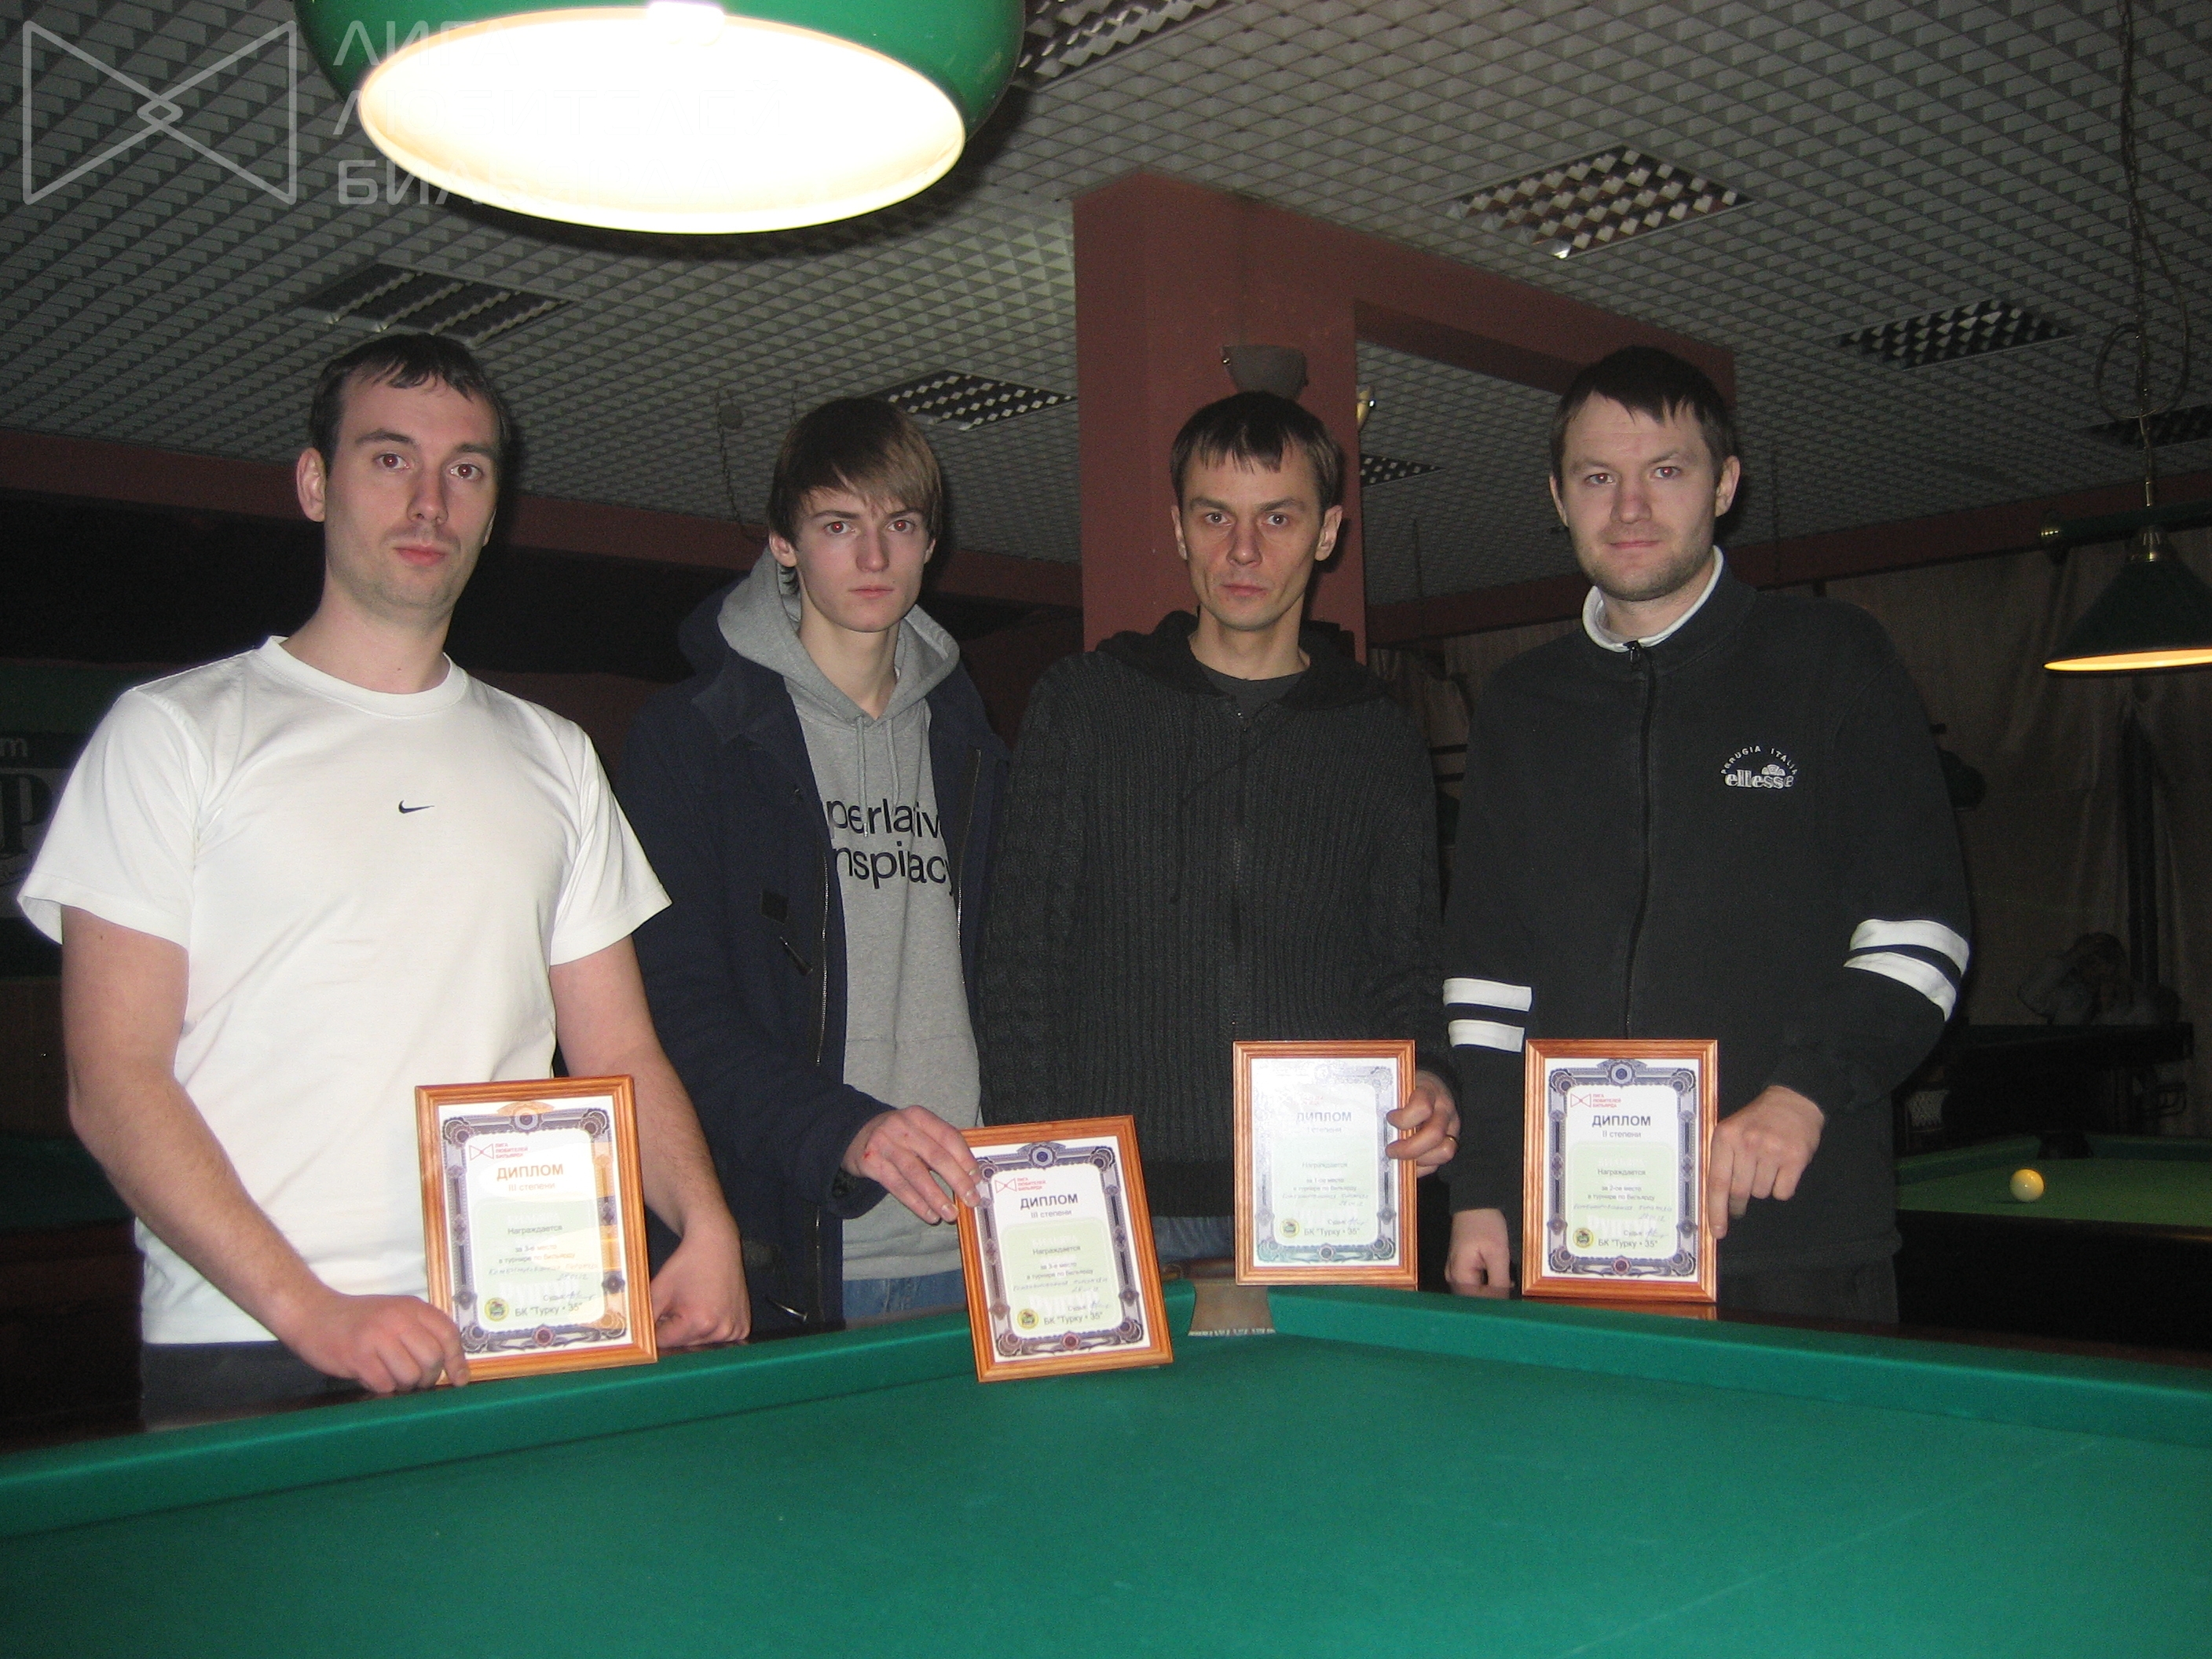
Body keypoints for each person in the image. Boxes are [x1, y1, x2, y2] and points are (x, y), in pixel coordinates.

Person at [20, 335, 747, 1421]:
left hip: (521, 1319)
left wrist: (706, 1223)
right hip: (252, 1339)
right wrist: (312, 1311)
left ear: (493, 511)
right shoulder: (174, 734)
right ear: (316, 484)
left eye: (466, 470)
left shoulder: (554, 753)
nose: (429, 503)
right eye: (390, 458)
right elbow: (113, 1078)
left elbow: (619, 1051)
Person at [1440, 346, 1970, 1320]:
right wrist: (1481, 1186)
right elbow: (1487, 981)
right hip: (1578, 1239)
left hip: (1794, 1231)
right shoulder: (1519, 704)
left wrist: (1803, 1092)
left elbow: (1919, 935)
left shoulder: (1831, 658)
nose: (1629, 507)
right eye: (1596, 478)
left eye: (1665, 471)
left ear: (1724, 485)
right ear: (1557, 497)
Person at [979, 391, 1456, 1264]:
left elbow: (1407, 965)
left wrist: (1428, 1070)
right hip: (1115, 1199)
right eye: (1214, 517)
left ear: (1327, 532)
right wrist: (1030, 1171)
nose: (1242, 550)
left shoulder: (1378, 737)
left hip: (1327, 1195)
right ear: (1178, 528)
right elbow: (1020, 966)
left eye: (1277, 517)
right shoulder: (1085, 707)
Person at [619, 399, 1005, 1332]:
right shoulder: (692, 741)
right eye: (838, 526)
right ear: (783, 544)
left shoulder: (972, 746)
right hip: (791, 1245)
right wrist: (841, 1131)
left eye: (898, 526)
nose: (872, 557)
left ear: (929, 544)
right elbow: (671, 1011)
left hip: (983, 1241)